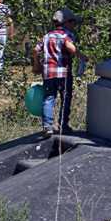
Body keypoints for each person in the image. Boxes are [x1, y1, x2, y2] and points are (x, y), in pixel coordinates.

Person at [36, 8, 85, 137]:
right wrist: (81, 56)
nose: (74, 25)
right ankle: (63, 124)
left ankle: (47, 126)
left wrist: (36, 64)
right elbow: (69, 46)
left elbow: (35, 50)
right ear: (67, 23)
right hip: (63, 72)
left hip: (48, 73)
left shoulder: (46, 36)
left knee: (49, 98)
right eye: (73, 22)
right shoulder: (66, 35)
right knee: (65, 97)